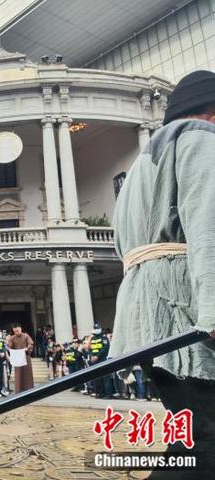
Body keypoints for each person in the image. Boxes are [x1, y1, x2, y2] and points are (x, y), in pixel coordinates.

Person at [110, 70, 215, 476]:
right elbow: (208, 228)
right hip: (186, 310)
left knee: (192, 439)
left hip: (149, 316)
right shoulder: (199, 137)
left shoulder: (140, 165)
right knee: (204, 443)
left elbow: (122, 247)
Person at [6, 323, 34, 393]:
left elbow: (30, 344)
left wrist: (27, 348)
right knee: (18, 375)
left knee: (27, 374)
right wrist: (9, 348)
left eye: (17, 331)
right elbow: (9, 346)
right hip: (17, 358)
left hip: (26, 357)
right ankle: (19, 391)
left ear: (20, 329)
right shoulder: (12, 338)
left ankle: (29, 390)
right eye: (15, 331)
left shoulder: (26, 336)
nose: (16, 332)